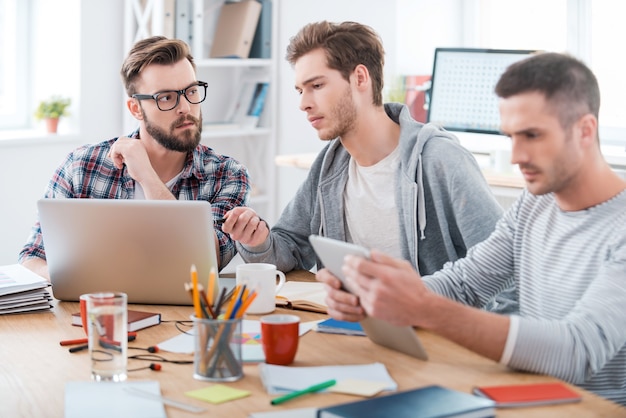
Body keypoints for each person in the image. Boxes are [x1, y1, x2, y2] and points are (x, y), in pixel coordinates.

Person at [318, 52, 626, 406]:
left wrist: (423, 308)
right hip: (525, 399)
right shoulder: (534, 205)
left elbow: (577, 350)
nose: (516, 155)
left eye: (532, 135)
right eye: (510, 136)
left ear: (585, 130)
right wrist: (378, 294)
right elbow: (464, 284)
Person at [223, 21, 507, 303]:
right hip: (356, 329)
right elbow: (289, 248)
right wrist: (257, 240)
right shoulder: (330, 166)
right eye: (300, 90)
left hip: (433, 334)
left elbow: (506, 271)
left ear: (360, 78)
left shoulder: (440, 161)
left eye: (317, 85)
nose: (303, 103)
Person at [19, 36, 250, 279]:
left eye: (191, 91)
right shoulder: (81, 166)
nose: (185, 107)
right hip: (98, 310)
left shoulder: (228, 175)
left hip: (184, 316)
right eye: (166, 98)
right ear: (135, 109)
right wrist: (79, 284)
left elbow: (204, 262)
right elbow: (32, 255)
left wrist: (147, 176)